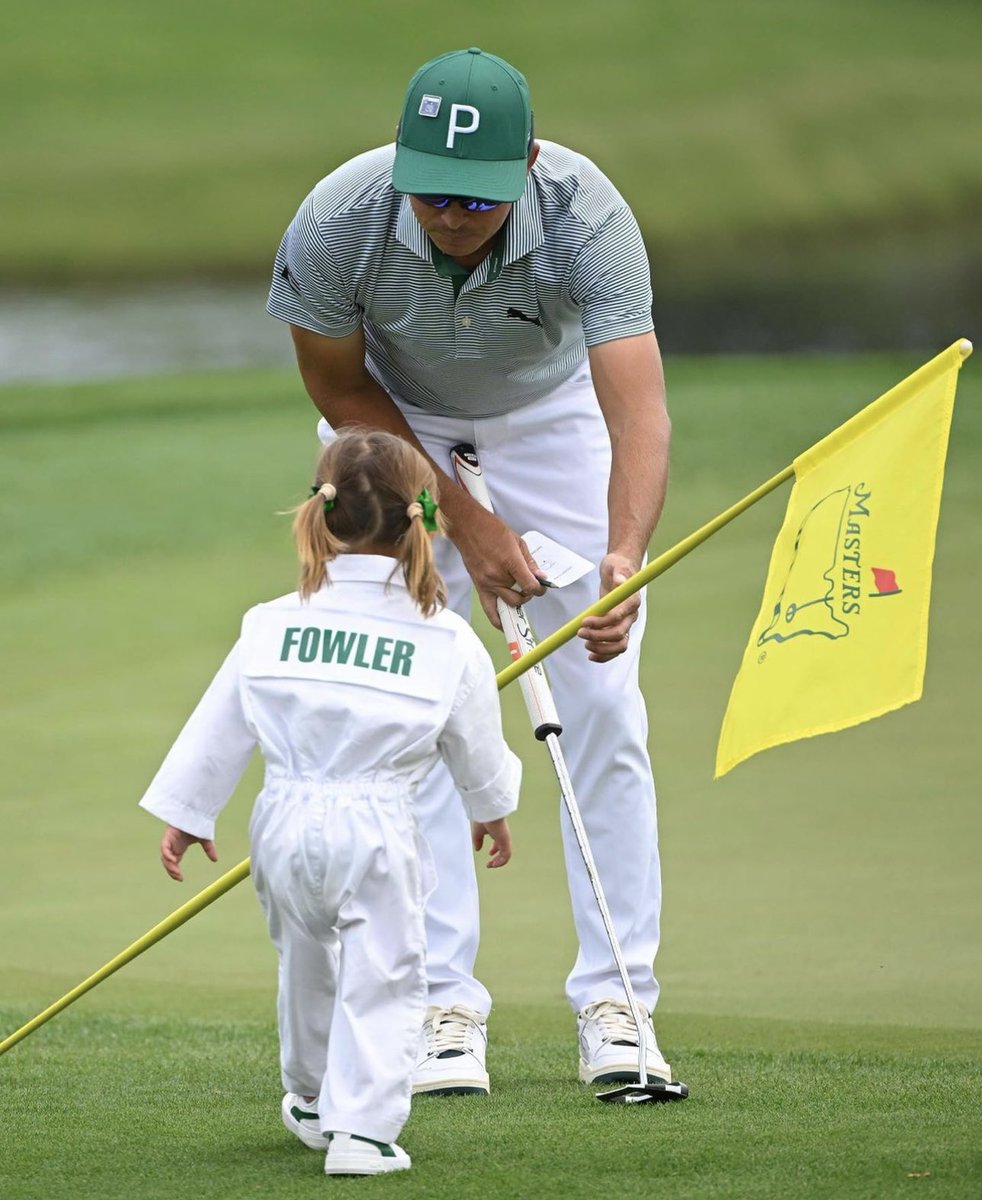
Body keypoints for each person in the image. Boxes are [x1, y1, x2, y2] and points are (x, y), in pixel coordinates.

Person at [266, 47, 678, 1095]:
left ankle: (618, 1003)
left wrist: (622, 557)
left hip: (549, 418)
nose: (452, 214)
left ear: (526, 164)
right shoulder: (335, 218)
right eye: (433, 192)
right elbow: (339, 385)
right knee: (411, 707)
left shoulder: (589, 216)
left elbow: (636, 410)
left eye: (479, 198)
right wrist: (459, 511)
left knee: (602, 704)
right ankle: (437, 1000)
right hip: (392, 420)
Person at [138, 430, 521, 1176]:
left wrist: (189, 812)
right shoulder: (444, 637)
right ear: (424, 521)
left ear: (322, 513)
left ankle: (312, 1098)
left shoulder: (269, 621)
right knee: (385, 976)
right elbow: (474, 742)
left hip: (280, 827)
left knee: (306, 966)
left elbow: (221, 723)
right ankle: (364, 1131)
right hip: (377, 830)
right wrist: (489, 807)